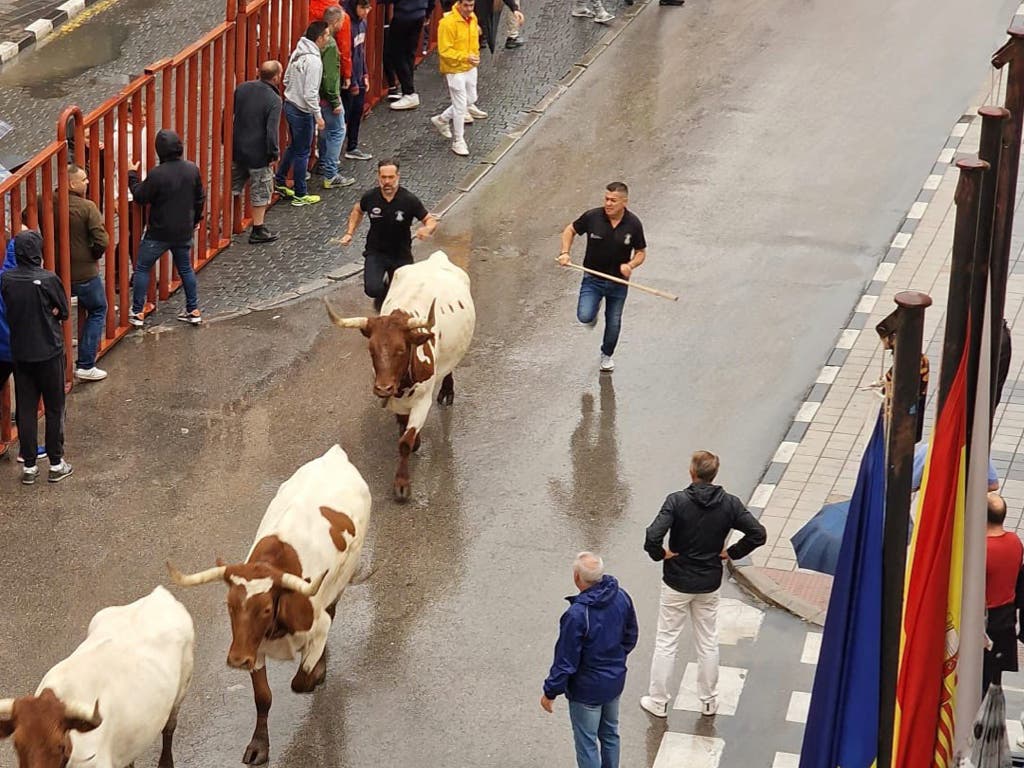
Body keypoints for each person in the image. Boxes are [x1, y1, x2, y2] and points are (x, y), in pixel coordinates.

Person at [640, 450, 767, 718]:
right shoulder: (730, 504)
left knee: (667, 641)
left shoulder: (676, 501)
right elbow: (758, 534)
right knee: (707, 640)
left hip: (676, 582)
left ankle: (659, 701)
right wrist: (731, 552)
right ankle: (708, 701)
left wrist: (661, 554)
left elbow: (653, 535)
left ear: (692, 472)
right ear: (715, 474)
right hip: (709, 583)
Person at [541, 552, 637, 768]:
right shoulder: (621, 596)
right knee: (610, 734)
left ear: (577, 577)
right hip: (614, 682)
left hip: (586, 690)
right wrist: (616, 659)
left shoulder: (577, 614)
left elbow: (566, 660)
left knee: (587, 744)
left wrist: (550, 691)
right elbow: (631, 635)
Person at [0, 231, 73, 484]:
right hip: (49, 351)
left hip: (22, 354)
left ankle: (29, 465)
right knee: (54, 408)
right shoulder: (49, 278)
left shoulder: (7, 279)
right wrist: (50, 310)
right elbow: (63, 311)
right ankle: (56, 462)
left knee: (26, 411)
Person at [558, 182, 646, 373]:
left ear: (624, 202)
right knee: (584, 316)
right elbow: (570, 230)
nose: (608, 203)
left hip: (618, 283)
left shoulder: (633, 224)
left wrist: (630, 265)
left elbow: (640, 252)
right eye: (606, 199)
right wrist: (565, 252)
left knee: (614, 322)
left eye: (613, 200)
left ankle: (606, 355)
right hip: (592, 279)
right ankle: (592, 310)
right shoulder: (592, 217)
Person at [127, 129, 205, 327]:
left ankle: (137, 311)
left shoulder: (157, 174)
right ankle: (193, 309)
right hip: (183, 230)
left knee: (143, 267)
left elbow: (140, 196)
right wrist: (196, 219)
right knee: (186, 269)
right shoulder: (191, 169)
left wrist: (131, 175)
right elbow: (199, 198)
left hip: (158, 232)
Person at [340, 159, 437, 308]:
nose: (387, 182)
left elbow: (430, 219)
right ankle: (386, 294)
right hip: (376, 252)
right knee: (373, 289)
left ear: (398, 176)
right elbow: (357, 210)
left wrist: (427, 229)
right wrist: (349, 233)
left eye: (391, 177)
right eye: (383, 177)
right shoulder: (370, 197)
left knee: (405, 293)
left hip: (401, 254)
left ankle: (391, 301)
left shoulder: (409, 200)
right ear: (378, 177)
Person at [274, 22, 330, 206]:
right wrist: (318, 116)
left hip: (290, 104)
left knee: (294, 146)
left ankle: (280, 180)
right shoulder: (314, 61)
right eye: (327, 35)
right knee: (302, 152)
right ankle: (300, 193)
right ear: (319, 38)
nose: (328, 39)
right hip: (303, 110)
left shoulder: (297, 52)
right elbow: (310, 93)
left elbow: (287, 78)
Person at [64, 165, 110, 381]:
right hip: (84, 273)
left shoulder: (45, 200)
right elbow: (102, 240)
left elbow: (27, 216)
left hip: (58, 272)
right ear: (73, 184)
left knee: (56, 311)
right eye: (84, 179)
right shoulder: (87, 207)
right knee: (99, 309)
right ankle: (85, 364)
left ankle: (65, 343)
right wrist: (93, 254)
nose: (87, 182)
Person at [232, 60, 284, 244]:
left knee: (233, 186)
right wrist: (273, 154)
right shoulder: (274, 100)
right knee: (261, 190)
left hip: (238, 149)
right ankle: (258, 228)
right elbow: (271, 131)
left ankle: (219, 223)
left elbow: (228, 114)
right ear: (277, 77)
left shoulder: (242, 88)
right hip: (259, 154)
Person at [431, 0, 487, 157]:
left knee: (471, 98)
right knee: (460, 106)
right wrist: (466, 57)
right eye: (466, 6)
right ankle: (458, 141)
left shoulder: (472, 18)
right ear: (459, 4)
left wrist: (474, 56)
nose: (469, 9)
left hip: (469, 66)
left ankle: (442, 119)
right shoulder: (447, 23)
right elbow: (444, 51)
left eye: (471, 6)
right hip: (454, 69)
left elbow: (474, 39)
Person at [984, 492, 1022, 692]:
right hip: (1006, 621)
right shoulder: (1015, 542)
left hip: (985, 624)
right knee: (994, 681)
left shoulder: (983, 550)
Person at [318, 6, 356, 190]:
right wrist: (335, 101)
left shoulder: (317, 39)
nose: (343, 24)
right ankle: (331, 174)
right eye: (341, 21)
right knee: (337, 131)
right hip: (328, 97)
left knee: (325, 132)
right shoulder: (331, 44)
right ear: (335, 22)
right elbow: (331, 77)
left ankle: (323, 163)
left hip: (318, 96)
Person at [342, 0, 373, 162]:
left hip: (358, 77)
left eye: (368, 7)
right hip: (349, 80)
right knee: (344, 116)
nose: (366, 11)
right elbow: (347, 55)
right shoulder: (348, 25)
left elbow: (360, 52)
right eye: (363, 8)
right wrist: (353, 81)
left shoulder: (362, 24)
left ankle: (352, 146)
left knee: (356, 112)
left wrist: (365, 74)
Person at [384, 0, 429, 110]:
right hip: (420, 12)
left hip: (404, 13)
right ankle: (408, 91)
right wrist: (428, 12)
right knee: (409, 53)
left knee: (396, 53)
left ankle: (409, 92)